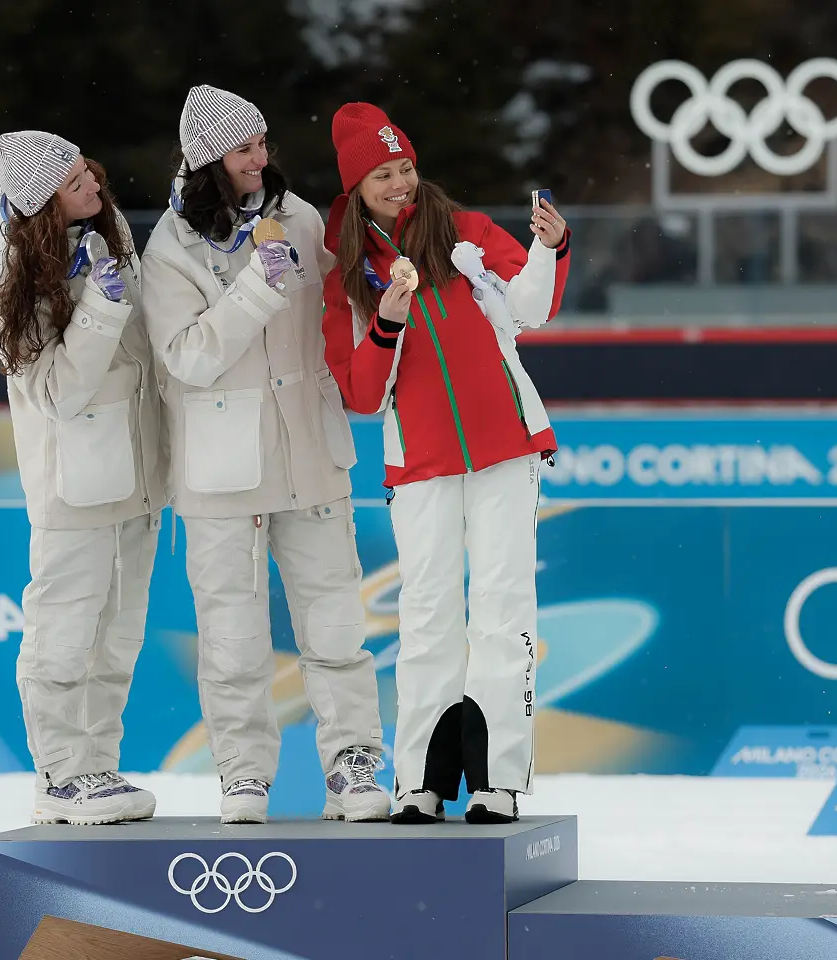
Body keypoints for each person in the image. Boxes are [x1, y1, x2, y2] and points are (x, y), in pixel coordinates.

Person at [140, 85, 388, 825]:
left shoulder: (302, 216)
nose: (262, 157)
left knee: (338, 627)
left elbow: (344, 307)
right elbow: (185, 356)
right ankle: (243, 774)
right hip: (221, 475)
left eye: (263, 142)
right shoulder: (169, 247)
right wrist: (255, 287)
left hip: (311, 456)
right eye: (245, 148)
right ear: (211, 159)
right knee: (232, 641)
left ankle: (353, 763)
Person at [320, 103, 571, 825]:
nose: (400, 184)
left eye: (405, 167)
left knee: (501, 610)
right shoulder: (351, 270)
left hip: (505, 451)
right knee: (427, 617)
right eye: (383, 175)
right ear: (357, 188)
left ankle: (497, 779)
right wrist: (388, 319)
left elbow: (533, 305)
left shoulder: (463, 228)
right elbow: (363, 393)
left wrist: (551, 247)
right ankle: (419, 782)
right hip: (420, 464)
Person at [0, 130, 167, 825]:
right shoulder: (13, 288)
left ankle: (96, 769)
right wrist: (102, 304)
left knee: (117, 637)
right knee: (63, 634)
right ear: (42, 208)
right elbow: (59, 391)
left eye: (86, 167)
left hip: (139, 479)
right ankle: (58, 776)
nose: (92, 181)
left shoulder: (109, 234)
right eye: (73, 182)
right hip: (73, 489)